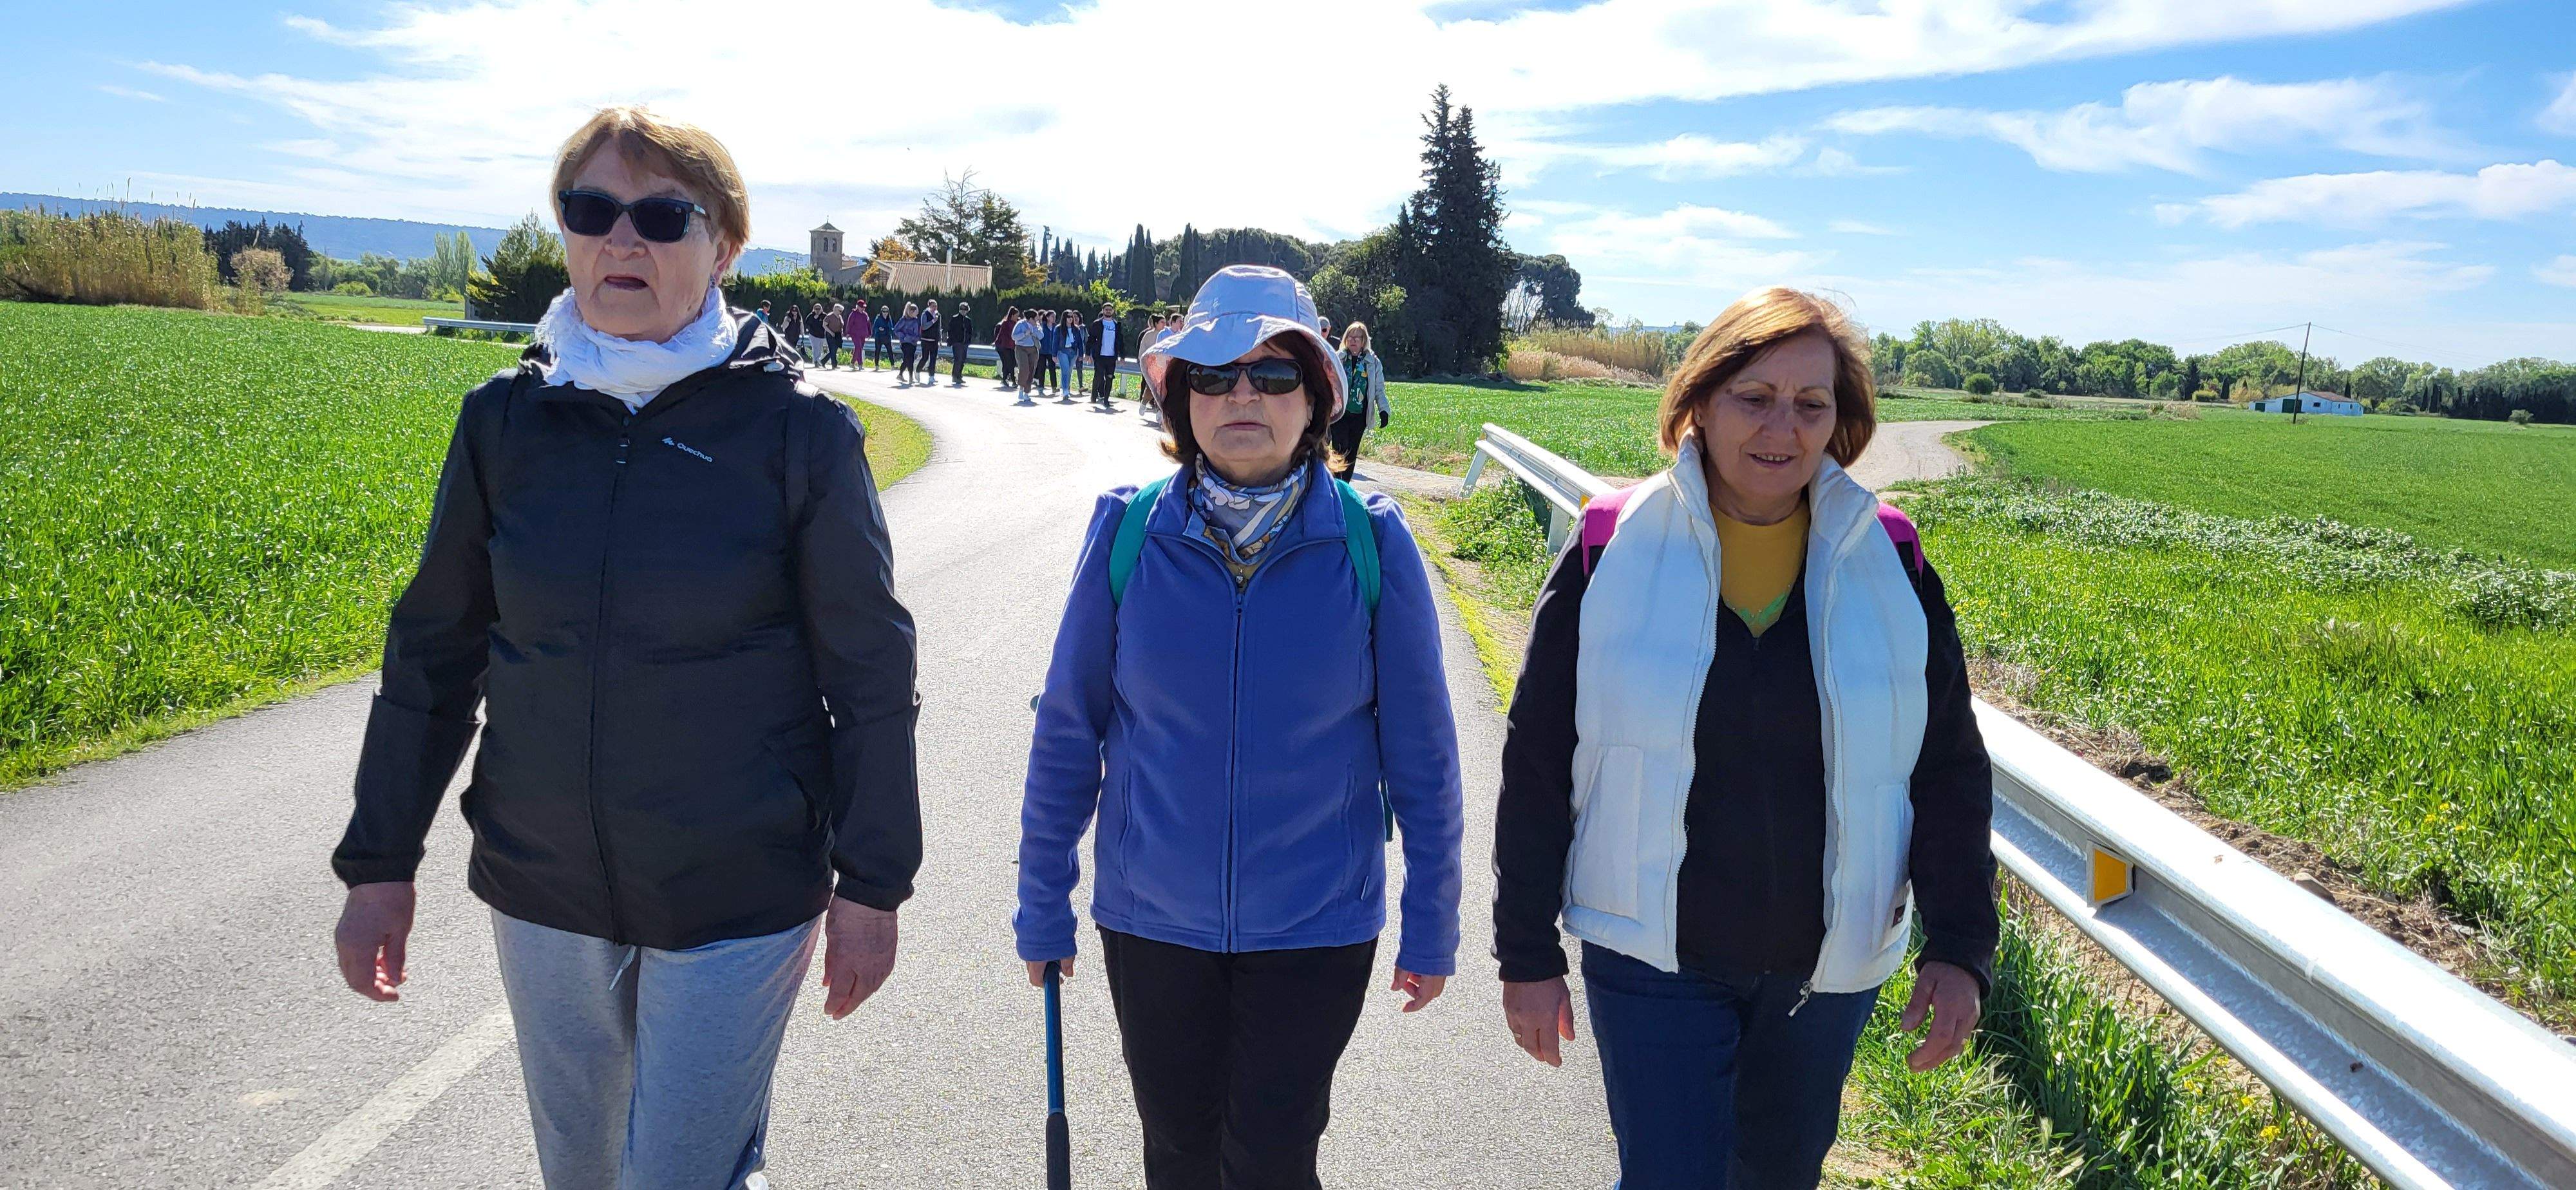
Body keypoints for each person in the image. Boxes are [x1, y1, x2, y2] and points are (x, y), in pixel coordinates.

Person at [329, 105, 920, 1190]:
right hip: (543, 881)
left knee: (677, 1177)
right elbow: (433, 652)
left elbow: (871, 675)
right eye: (592, 210)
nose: (622, 240)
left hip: (736, 887)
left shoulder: (799, 432)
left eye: (661, 214)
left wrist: (873, 882)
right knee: (584, 1173)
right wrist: (379, 863)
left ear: (725, 244)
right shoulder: (505, 421)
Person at [1490, 287, 1996, 1188]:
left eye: (1812, 404)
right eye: (1754, 397)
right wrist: (1525, 951)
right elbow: (1537, 755)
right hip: (1651, 958)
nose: (1782, 428)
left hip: (1826, 966)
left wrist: (1960, 946)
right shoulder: (1612, 545)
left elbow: (1948, 765)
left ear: (1842, 423)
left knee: (1778, 1178)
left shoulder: (1894, 559)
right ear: (1698, 400)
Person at [1016, 264, 1463, 1188]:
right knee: (1177, 1152)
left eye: (1272, 374)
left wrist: (1432, 923)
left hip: (1315, 924)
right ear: (1182, 404)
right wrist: (1041, 900)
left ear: (1318, 400)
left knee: (1272, 1155)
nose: (1241, 395)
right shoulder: (1127, 531)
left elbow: (1423, 752)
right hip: (1152, 920)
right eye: (1212, 378)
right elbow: (1069, 729)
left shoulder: (1371, 541)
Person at [1326, 323, 1391, 481]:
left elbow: (1379, 389)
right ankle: (1336, 485)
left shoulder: (1372, 362)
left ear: (1364, 341)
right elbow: (1327, 383)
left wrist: (1384, 410)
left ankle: (1346, 487)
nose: (1353, 340)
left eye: (1357, 338)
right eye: (1350, 337)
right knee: (1339, 449)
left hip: (1359, 416)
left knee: (1352, 452)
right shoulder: (1337, 358)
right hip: (1339, 413)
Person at [1086, 301, 1121, 408]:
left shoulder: (1116, 325)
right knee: (1099, 376)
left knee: (1110, 377)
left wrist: (1122, 356)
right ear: (1103, 311)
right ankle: (1094, 395)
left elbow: (1120, 341)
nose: (1108, 311)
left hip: (1111, 356)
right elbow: (1091, 339)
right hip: (1100, 355)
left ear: (1113, 311)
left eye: (1110, 310)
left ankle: (1106, 400)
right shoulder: (1097, 324)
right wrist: (1087, 354)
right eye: (1106, 309)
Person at [1137, 314, 1170, 420]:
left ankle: (1159, 411)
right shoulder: (1148, 336)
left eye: (1165, 322)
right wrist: (1144, 365)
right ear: (1156, 323)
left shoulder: (1167, 334)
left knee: (1162, 389)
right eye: (1162, 322)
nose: (1165, 324)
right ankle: (1144, 403)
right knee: (1152, 388)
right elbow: (1142, 351)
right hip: (1151, 365)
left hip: (1163, 365)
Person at [1012, 307, 1043, 402]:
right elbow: (1014, 336)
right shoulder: (1021, 324)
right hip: (1021, 349)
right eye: (1036, 319)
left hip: (1033, 349)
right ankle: (1021, 389)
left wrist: (1034, 332)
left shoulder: (1037, 326)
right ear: (1030, 319)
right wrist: (1025, 334)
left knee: (1031, 370)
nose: (1037, 321)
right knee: (1024, 369)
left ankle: (1027, 392)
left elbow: (1041, 336)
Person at [1055, 307, 1083, 402]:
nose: (1071, 318)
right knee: (1065, 370)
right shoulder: (1059, 328)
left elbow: (1080, 343)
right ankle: (1065, 391)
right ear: (1064, 318)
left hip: (1073, 352)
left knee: (1069, 371)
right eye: (1068, 317)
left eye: (1072, 317)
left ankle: (1067, 388)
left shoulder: (1076, 329)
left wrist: (1081, 355)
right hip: (1063, 351)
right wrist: (1054, 355)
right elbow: (1055, 342)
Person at [946, 302, 972, 386]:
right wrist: (951, 341)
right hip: (957, 343)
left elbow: (970, 332)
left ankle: (959, 376)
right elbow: (950, 331)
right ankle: (955, 376)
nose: (964, 311)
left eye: (965, 310)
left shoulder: (968, 320)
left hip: (965, 343)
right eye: (962, 309)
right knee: (958, 359)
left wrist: (968, 341)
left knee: (963, 359)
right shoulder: (955, 318)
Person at [918, 299, 943, 385]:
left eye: (936, 306)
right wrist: (933, 321)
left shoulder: (938, 315)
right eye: (933, 306)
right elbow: (924, 327)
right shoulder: (925, 314)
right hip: (926, 340)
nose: (935, 308)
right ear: (929, 306)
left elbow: (939, 328)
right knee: (925, 358)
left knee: (933, 359)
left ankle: (931, 376)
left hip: (934, 341)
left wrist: (940, 340)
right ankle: (918, 370)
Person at [1036, 310, 1062, 396]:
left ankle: (1054, 387)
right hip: (1042, 351)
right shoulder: (1042, 326)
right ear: (1047, 317)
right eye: (1052, 317)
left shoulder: (1056, 327)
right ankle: (1041, 387)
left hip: (1052, 351)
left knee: (1052, 369)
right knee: (1041, 369)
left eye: (1055, 317)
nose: (1054, 318)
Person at [895, 302, 922, 382]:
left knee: (908, 359)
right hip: (905, 343)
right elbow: (896, 330)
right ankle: (911, 377)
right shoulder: (903, 320)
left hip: (914, 342)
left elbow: (918, 332)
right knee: (909, 358)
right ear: (911, 312)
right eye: (916, 311)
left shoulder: (916, 321)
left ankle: (900, 374)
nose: (917, 313)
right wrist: (904, 337)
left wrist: (918, 338)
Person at [994, 306, 1019, 389]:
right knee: (1010, 364)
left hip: (1012, 347)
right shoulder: (1006, 323)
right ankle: (1013, 381)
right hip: (1005, 346)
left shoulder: (1017, 324)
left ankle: (1005, 379)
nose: (1017, 317)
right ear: (1012, 315)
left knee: (1009, 363)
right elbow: (1002, 335)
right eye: (1016, 315)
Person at [846, 302, 873, 373]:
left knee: (859, 349)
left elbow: (868, 324)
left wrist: (870, 333)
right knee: (858, 347)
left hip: (863, 334)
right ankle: (860, 365)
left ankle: (852, 363)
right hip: (855, 334)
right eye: (861, 307)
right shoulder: (854, 314)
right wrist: (848, 333)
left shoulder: (865, 315)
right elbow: (850, 323)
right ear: (858, 307)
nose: (863, 309)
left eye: (864, 307)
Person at [822, 301, 846, 369]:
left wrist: (842, 332)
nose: (841, 312)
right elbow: (824, 325)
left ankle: (829, 363)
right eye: (840, 311)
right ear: (835, 309)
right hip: (830, 334)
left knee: (834, 350)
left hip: (838, 335)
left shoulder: (840, 317)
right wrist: (831, 332)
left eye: (842, 311)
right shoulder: (830, 316)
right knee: (833, 350)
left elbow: (841, 326)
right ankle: (833, 364)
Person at [871, 304, 893, 371]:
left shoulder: (889, 318)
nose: (885, 313)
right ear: (881, 312)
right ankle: (877, 365)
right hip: (879, 337)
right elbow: (874, 327)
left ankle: (892, 365)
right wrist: (879, 329)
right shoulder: (878, 318)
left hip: (887, 337)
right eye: (884, 311)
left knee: (890, 352)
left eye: (887, 312)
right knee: (877, 351)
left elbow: (891, 329)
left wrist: (889, 332)